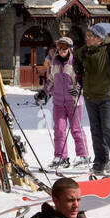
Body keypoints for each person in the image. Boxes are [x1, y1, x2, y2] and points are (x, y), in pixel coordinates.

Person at [73, 26, 110, 178]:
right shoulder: (84, 51)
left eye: (90, 36)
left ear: (99, 38)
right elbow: (76, 60)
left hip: (106, 94)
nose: (87, 38)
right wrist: (79, 73)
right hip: (90, 95)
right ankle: (101, 161)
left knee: (107, 127)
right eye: (86, 36)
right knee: (96, 130)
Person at [44, 35, 90, 170]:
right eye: (59, 47)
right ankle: (60, 157)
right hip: (58, 102)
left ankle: (83, 156)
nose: (62, 49)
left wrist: (76, 91)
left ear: (69, 48)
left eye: (64, 47)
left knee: (76, 129)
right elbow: (51, 80)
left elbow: (82, 81)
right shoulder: (54, 62)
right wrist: (45, 92)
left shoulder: (75, 62)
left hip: (73, 102)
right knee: (59, 130)